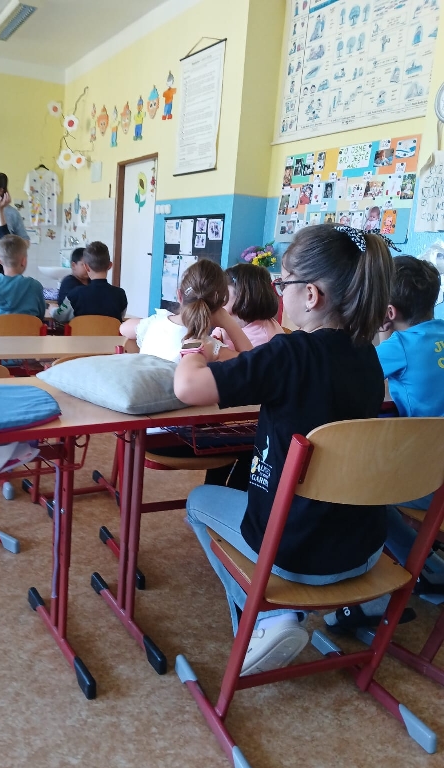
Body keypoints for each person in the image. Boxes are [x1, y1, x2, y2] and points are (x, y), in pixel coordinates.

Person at [174, 224, 394, 676]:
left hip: (294, 551)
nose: (278, 291)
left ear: (310, 295)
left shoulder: (290, 354)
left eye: (283, 282)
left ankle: (269, 616)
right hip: (364, 549)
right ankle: (347, 606)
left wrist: (194, 351)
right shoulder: (368, 356)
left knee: (198, 501)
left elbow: (188, 388)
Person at [326, 256, 444, 630]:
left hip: (431, 482)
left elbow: (354, 373)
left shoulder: (401, 346)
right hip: (436, 471)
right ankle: (429, 565)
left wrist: (378, 332)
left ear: (388, 312)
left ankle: (377, 588)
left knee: (353, 488)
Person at [120, 259, 252, 363]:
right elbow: (253, 363)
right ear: (221, 304)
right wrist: (228, 323)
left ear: (179, 295)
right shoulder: (209, 348)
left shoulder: (153, 324)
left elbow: (123, 328)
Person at [52, 241, 127, 323]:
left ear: (86, 267)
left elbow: (60, 317)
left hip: (81, 331)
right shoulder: (120, 295)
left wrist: (52, 310)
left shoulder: (75, 294)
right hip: (110, 331)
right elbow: (119, 319)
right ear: (110, 266)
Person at [212, 264, 284, 349]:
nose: (218, 296)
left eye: (223, 290)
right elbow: (219, 330)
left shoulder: (261, 338)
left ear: (242, 293)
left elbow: (239, 357)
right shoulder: (233, 319)